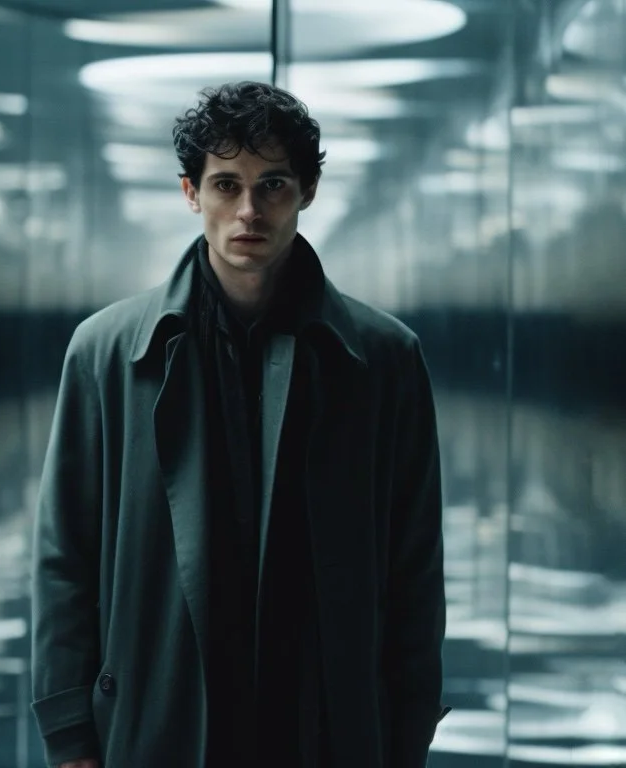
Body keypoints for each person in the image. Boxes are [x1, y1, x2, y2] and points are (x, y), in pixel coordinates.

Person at [30, 81, 448, 768]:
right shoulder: (106, 352)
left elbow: (413, 564)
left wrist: (407, 724)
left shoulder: (382, 359)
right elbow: (64, 556)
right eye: (226, 185)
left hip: (321, 712)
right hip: (160, 706)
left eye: (273, 184)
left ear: (306, 191)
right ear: (191, 193)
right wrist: (69, 726)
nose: (248, 211)